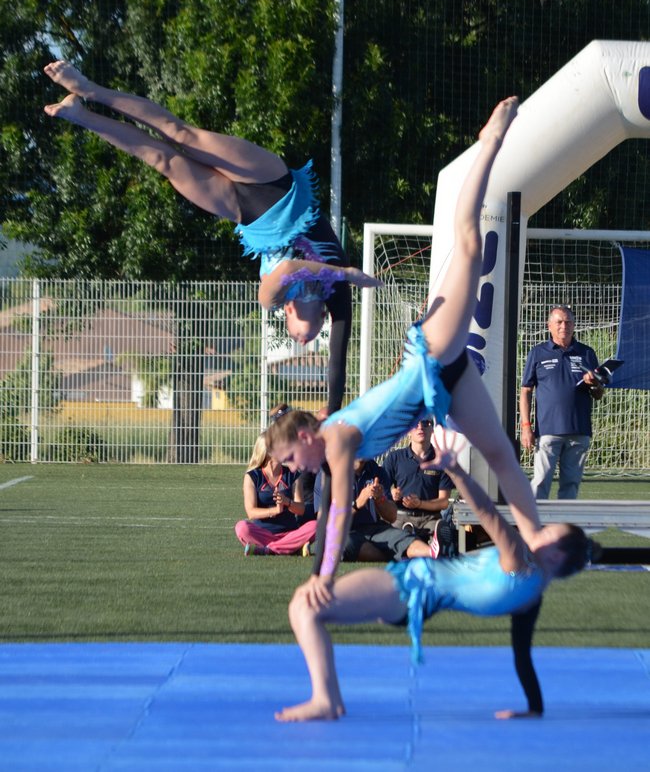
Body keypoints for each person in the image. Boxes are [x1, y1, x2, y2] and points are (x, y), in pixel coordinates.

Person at [266, 96, 545, 598]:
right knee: (502, 455)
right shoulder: (329, 447)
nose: (291, 468)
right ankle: (529, 549)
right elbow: (328, 513)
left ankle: (491, 142)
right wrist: (320, 575)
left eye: (289, 457)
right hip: (446, 377)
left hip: (431, 355)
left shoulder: (339, 439)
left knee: (469, 243)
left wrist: (322, 579)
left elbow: (335, 515)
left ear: (306, 437)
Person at [43, 61, 382, 417]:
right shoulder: (336, 295)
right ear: (321, 317)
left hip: (242, 211)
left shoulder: (276, 298)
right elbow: (338, 359)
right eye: (306, 339)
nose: (302, 341)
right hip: (275, 184)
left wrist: (346, 273)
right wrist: (334, 408)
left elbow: (288, 269)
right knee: (181, 134)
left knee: (163, 159)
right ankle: (88, 88)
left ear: (288, 312)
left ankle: (81, 115)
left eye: (296, 338)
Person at [274, 426, 599, 721]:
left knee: (305, 606)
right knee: (310, 608)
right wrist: (534, 708)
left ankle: (326, 700)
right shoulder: (533, 594)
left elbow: (487, 511)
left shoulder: (517, 561)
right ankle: (328, 698)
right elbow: (522, 656)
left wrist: (454, 468)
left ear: (556, 556)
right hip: (414, 598)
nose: (541, 531)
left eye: (549, 533)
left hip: (406, 587)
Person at [519, 304, 605, 500]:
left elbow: (599, 393)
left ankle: (565, 520)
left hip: (579, 430)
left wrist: (594, 385)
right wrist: (525, 427)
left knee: (571, 485)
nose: (564, 326)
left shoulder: (586, 353)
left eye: (568, 322)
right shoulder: (538, 353)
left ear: (574, 325)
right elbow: (525, 391)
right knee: (540, 481)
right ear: (549, 325)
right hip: (547, 430)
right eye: (559, 322)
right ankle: (534, 519)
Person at [313, 457, 439, 562]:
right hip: (341, 532)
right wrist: (357, 504)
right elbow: (324, 521)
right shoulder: (329, 472)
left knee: (402, 537)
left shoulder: (376, 471)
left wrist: (380, 499)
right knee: (345, 544)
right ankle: (399, 555)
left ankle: (433, 553)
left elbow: (392, 517)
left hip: (374, 529)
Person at [234, 434, 317, 556]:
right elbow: (251, 513)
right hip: (262, 534)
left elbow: (300, 509)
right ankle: (291, 548)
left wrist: (287, 502)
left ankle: (266, 549)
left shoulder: (293, 475)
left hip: (289, 534)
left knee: (316, 526)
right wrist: (275, 510)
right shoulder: (252, 476)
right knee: (241, 527)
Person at [382, 418, 453, 542]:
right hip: (400, 517)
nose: (420, 427)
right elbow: (381, 489)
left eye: (425, 423)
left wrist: (420, 504)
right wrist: (391, 493)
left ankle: (432, 543)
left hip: (431, 519)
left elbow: (443, 502)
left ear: (432, 429)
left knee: (442, 539)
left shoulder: (441, 460)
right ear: (408, 431)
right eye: (415, 424)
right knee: (392, 541)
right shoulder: (395, 458)